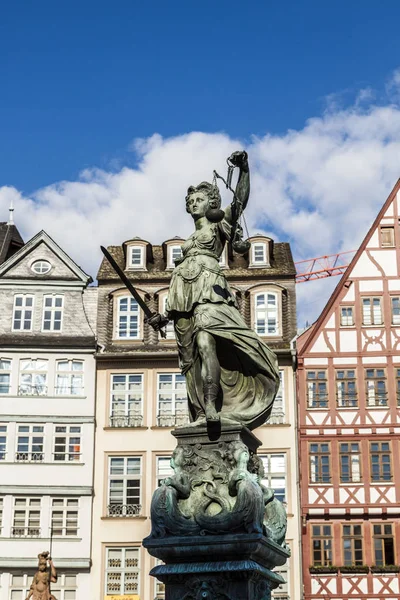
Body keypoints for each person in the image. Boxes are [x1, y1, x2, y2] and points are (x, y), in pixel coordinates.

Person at [148, 151, 279, 429]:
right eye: (191, 200)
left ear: (211, 203)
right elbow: (180, 289)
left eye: (200, 199)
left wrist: (244, 169)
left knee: (207, 341)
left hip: (211, 297)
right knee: (191, 360)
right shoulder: (187, 243)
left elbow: (240, 200)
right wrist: (163, 317)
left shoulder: (219, 223)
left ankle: (211, 404)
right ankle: (200, 408)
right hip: (184, 304)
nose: (195, 203)